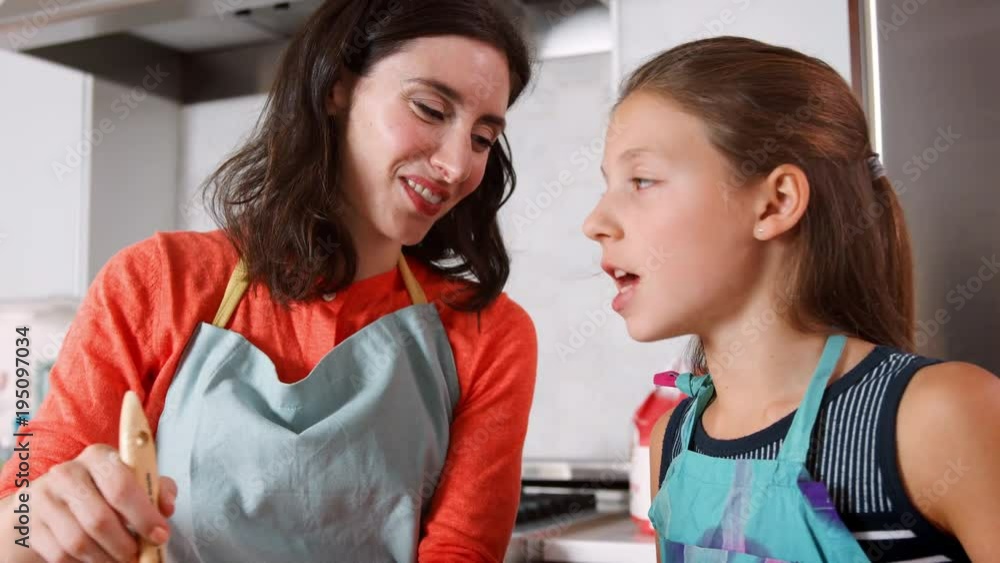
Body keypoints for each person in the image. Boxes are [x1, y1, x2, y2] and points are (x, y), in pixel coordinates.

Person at [0, 1, 537, 561]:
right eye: (430, 108)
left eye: (481, 138)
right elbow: (20, 518)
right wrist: (38, 518)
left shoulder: (488, 335)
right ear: (337, 87)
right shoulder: (156, 283)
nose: (456, 165)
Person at [583, 36, 999, 561]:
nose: (594, 223)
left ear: (774, 203)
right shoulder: (674, 443)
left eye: (641, 180)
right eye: (608, 185)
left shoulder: (937, 415)